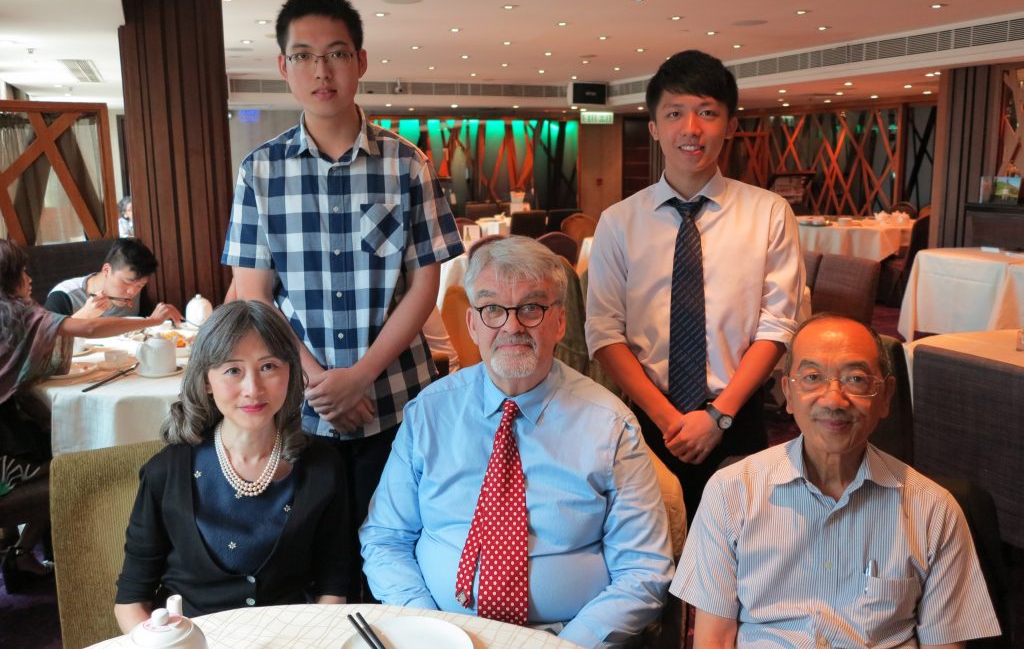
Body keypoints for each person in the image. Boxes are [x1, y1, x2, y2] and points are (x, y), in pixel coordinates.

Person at [221, 0, 462, 596]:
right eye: (303, 56)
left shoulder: (408, 166)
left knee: (399, 554)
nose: (320, 70)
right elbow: (253, 296)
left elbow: (424, 287)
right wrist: (324, 386)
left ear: (359, 60)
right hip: (300, 411)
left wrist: (361, 377)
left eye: (335, 54)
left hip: (396, 403)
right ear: (284, 67)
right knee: (313, 565)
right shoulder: (261, 171)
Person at [361, 236, 673, 649]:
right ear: (472, 323)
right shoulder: (428, 414)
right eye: (492, 308)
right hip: (441, 632)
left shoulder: (610, 425)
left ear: (560, 321)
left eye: (531, 308)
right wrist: (426, 627)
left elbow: (644, 569)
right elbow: (385, 538)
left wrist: (566, 647)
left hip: (565, 637)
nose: (511, 326)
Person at [672, 315, 1002, 647]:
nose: (833, 400)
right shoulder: (730, 492)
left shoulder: (934, 510)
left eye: (855, 379)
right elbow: (713, 640)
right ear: (788, 392)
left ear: (885, 395)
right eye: (812, 377)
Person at [585, 49, 803, 519]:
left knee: (741, 553)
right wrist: (668, 419)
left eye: (707, 113)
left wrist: (718, 415)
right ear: (654, 126)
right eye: (675, 113)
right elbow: (603, 332)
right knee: (649, 555)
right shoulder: (618, 222)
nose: (691, 128)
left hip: (738, 417)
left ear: (729, 124)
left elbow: (778, 326)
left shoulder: (768, 214)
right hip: (645, 419)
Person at [114, 301, 351, 630]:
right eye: (232, 370)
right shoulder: (165, 473)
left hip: (295, 638)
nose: (253, 389)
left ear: (290, 373)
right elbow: (130, 601)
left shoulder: (323, 466)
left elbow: (335, 586)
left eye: (268, 366)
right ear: (207, 380)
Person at [0, 239, 180, 592]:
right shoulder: (20, 314)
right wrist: (146, 321)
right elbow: (88, 329)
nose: (29, 276)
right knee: (86, 466)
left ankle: (22, 552)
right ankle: (93, 570)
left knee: (61, 451)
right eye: (22, 271)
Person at [44, 237, 182, 322]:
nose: (132, 292)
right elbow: (46, 343)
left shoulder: (135, 291)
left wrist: (157, 319)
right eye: (127, 282)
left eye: (140, 285)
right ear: (106, 270)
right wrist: (84, 315)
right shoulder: (64, 296)